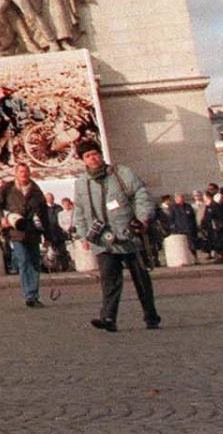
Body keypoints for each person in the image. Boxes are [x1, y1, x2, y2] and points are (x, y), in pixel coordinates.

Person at [73, 142, 159, 332]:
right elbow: (79, 210)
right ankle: (108, 317)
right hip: (102, 239)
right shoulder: (81, 183)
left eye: (95, 154)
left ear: (101, 155)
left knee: (141, 278)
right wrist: (82, 235)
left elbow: (141, 195)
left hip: (129, 235)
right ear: (83, 160)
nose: (92, 158)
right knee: (109, 280)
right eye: (87, 156)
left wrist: (142, 218)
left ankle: (151, 315)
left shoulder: (122, 174)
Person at [0, 164, 51, 307]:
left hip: (33, 230)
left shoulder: (36, 190)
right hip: (16, 230)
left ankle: (34, 295)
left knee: (35, 263)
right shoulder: (7, 188)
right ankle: (29, 295)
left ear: (30, 173)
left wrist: (48, 236)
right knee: (24, 261)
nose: (24, 174)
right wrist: (2, 218)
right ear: (16, 173)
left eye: (26, 171)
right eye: (21, 171)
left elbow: (44, 214)